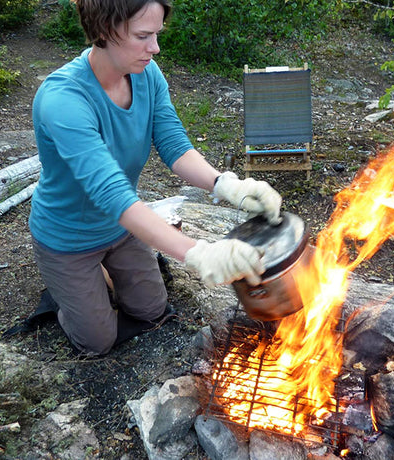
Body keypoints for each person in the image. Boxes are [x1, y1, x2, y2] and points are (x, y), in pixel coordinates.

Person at [29, 0, 282, 356]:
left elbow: (173, 144)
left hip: (121, 230)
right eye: (143, 36)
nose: (155, 48)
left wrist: (227, 185)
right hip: (67, 239)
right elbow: (112, 194)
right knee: (97, 342)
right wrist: (198, 253)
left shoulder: (146, 73)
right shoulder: (63, 100)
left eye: (157, 34)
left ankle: (101, 278)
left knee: (150, 310)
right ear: (103, 30)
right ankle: (66, 289)